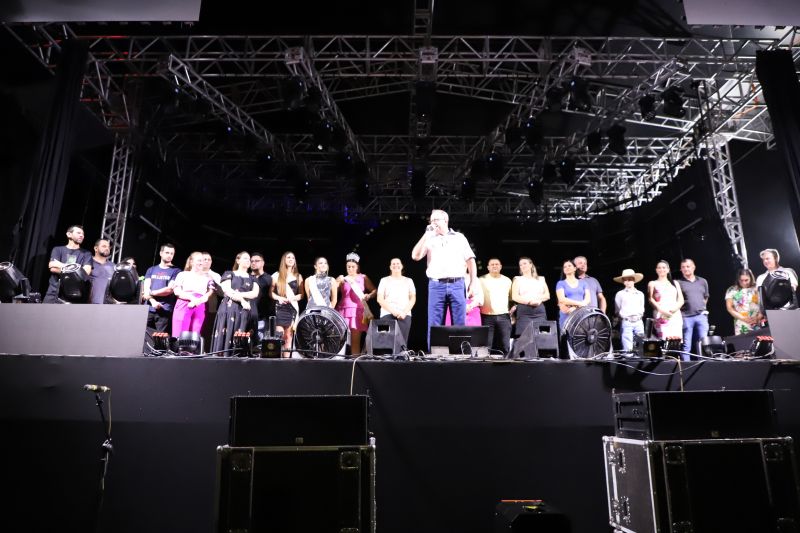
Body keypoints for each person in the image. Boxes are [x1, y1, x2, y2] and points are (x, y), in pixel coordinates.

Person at [411, 209, 478, 348]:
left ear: (445, 221)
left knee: (459, 322)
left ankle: (460, 354)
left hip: (457, 283)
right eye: (431, 220)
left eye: (436, 220)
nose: (433, 223)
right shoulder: (429, 239)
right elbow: (415, 256)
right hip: (436, 285)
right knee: (434, 323)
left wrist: (473, 282)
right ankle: (434, 354)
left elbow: (471, 261)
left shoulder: (459, 237)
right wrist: (426, 234)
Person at [210, 252, 260, 354]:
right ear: (238, 260)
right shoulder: (229, 274)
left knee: (243, 337)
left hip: (246, 311)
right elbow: (227, 290)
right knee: (227, 334)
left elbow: (255, 293)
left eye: (249, 259)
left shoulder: (253, 278)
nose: (248, 261)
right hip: (229, 310)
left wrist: (238, 294)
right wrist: (241, 300)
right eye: (245, 258)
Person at [336, 252, 377, 356]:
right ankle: (339, 362)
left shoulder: (363, 277)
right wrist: (336, 282)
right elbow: (332, 292)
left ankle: (354, 362)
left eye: (353, 266)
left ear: (357, 266)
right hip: (343, 310)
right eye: (348, 267)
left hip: (357, 311)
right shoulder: (343, 279)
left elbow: (375, 290)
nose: (350, 269)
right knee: (340, 340)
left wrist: (369, 295)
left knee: (355, 341)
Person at [43, 225, 92, 303]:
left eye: (83, 234)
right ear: (69, 234)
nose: (82, 235)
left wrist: (60, 265)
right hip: (54, 293)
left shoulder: (86, 254)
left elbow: (85, 273)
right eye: (78, 233)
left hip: (75, 295)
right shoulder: (58, 249)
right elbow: (52, 267)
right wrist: (76, 269)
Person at [172, 251, 215, 338]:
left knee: (195, 334)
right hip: (184, 304)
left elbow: (210, 291)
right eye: (199, 260)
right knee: (179, 332)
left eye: (203, 260)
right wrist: (192, 298)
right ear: (191, 261)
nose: (201, 263)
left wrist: (200, 300)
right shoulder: (182, 274)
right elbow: (177, 291)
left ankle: (191, 347)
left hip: (199, 305)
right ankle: (178, 347)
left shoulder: (208, 277)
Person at [376, 258, 416, 348]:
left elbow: (413, 298)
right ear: (390, 267)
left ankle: (402, 356)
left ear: (402, 266)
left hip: (404, 313)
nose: (396, 265)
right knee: (387, 343)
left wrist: (404, 312)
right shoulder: (384, 280)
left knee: (402, 344)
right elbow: (380, 299)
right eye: (393, 264)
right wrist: (393, 311)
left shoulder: (409, 280)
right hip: (387, 312)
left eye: (398, 263)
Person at [647, 260, 685, 354]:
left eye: (664, 267)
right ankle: (664, 360)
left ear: (668, 270)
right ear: (656, 270)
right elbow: (650, 299)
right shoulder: (652, 283)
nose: (661, 269)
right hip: (661, 314)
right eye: (659, 268)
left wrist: (673, 310)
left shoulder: (675, 283)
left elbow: (681, 300)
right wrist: (662, 311)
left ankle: (675, 358)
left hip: (675, 314)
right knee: (664, 339)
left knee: (676, 340)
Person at [142, 244, 181, 334]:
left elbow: (169, 290)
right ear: (161, 253)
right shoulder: (151, 269)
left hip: (164, 310)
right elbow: (146, 289)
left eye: (172, 253)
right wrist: (153, 301)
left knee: (159, 338)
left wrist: (151, 293)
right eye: (167, 252)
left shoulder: (176, 271)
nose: (169, 255)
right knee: (142, 335)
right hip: (149, 308)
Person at [271, 251, 303, 357]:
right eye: (288, 257)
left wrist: (293, 298)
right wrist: (279, 297)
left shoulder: (298, 276)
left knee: (288, 337)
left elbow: (302, 295)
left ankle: (286, 361)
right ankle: (277, 360)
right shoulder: (276, 275)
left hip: (292, 308)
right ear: (284, 260)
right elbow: (270, 293)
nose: (291, 259)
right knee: (279, 336)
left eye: (293, 258)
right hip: (280, 308)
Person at [479, 258, 513, 354]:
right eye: (492, 264)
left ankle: (507, 362)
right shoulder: (481, 280)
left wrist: (513, 313)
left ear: (501, 267)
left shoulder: (507, 280)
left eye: (497, 264)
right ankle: (485, 363)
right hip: (486, 316)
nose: (494, 266)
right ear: (488, 267)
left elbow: (511, 299)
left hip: (504, 316)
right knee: (486, 345)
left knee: (505, 345)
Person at [676, 258, 710, 355]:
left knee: (703, 343)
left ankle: (703, 362)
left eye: (688, 266)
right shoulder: (678, 283)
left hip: (701, 316)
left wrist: (702, 308)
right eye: (683, 267)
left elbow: (706, 297)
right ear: (681, 269)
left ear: (693, 267)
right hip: (686, 317)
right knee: (686, 345)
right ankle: (686, 364)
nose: (686, 269)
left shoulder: (702, 281)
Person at [511, 257, 550, 338]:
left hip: (539, 311)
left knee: (540, 337)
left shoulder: (541, 279)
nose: (522, 266)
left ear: (531, 265)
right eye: (520, 265)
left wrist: (539, 300)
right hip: (524, 311)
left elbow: (547, 295)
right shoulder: (518, 279)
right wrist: (529, 302)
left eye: (524, 263)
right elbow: (515, 296)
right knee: (524, 337)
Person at [613, 268, 645, 352]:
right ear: (623, 281)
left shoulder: (640, 294)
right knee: (628, 348)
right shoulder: (620, 294)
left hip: (638, 321)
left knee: (640, 346)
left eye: (630, 279)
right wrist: (623, 318)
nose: (628, 282)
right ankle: (628, 358)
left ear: (634, 280)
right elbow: (617, 309)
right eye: (625, 280)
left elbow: (642, 307)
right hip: (627, 321)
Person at [725, 268, 763, 335]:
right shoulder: (732, 290)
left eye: (746, 280)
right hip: (741, 323)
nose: (744, 283)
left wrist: (758, 317)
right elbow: (729, 308)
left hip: (757, 322)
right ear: (738, 279)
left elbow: (763, 304)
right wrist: (743, 318)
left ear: (751, 278)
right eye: (741, 280)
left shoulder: (757, 288)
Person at [555, 259, 590, 328]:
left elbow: (587, 299)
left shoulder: (583, 283)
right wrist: (579, 304)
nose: (567, 268)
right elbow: (562, 299)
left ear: (575, 268)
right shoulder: (560, 283)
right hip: (567, 313)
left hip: (581, 314)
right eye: (565, 267)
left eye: (569, 266)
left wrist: (576, 308)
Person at [249, 252, 273, 342]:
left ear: (263, 263)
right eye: (252, 261)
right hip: (247, 316)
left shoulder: (269, 278)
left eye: (257, 261)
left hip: (262, 317)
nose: (253, 263)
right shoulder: (247, 277)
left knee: (260, 343)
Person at [89, 239, 115, 304]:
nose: (107, 248)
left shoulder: (113, 266)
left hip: (108, 305)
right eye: (104, 246)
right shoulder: (88, 263)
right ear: (96, 248)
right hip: (89, 304)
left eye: (108, 247)